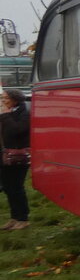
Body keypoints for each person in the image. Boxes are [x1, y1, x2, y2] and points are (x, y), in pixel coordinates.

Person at [0, 88, 31, 230]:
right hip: (5, 155)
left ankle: (23, 218)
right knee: (7, 187)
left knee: (16, 187)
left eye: (5, 98)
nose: (3, 101)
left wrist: (5, 115)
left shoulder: (24, 113)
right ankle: (14, 217)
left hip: (18, 156)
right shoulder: (6, 112)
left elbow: (17, 131)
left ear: (14, 100)